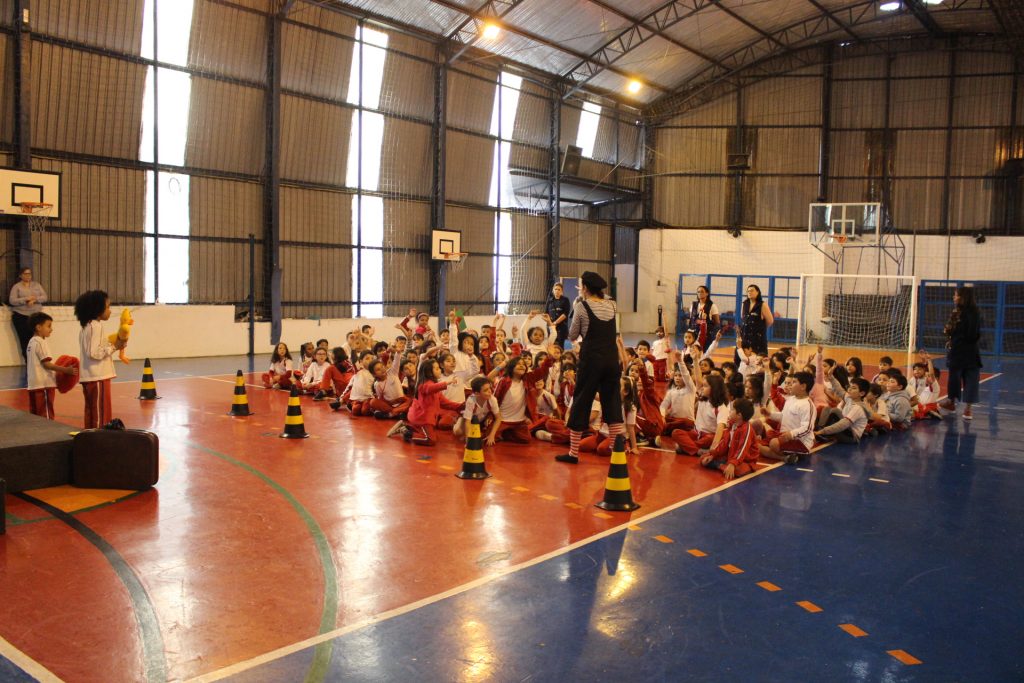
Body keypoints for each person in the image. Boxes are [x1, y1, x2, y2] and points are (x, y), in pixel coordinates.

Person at [555, 271, 624, 464]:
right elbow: (605, 297)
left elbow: (572, 334)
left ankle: (573, 454)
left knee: (581, 402)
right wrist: (583, 294)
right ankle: (617, 451)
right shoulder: (612, 304)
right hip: (611, 359)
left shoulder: (582, 307)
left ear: (584, 288)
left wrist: (579, 300)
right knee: (612, 401)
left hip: (591, 360)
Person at [75, 290, 125, 429]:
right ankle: (99, 440)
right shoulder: (94, 326)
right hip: (97, 377)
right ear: (97, 309)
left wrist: (113, 343)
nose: (110, 310)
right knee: (100, 414)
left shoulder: (88, 326)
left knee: (92, 412)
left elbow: (95, 348)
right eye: (108, 307)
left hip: (92, 376)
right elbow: (94, 353)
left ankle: (92, 439)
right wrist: (115, 347)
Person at [939, 286, 983, 420]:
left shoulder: (967, 313)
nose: (954, 297)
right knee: (966, 378)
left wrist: (954, 337)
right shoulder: (967, 312)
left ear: (963, 297)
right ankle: (965, 408)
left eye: (956, 295)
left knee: (960, 377)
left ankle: (955, 403)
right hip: (968, 350)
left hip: (962, 350)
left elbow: (971, 334)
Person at [25, 312, 77, 419]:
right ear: (39, 327)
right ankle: (48, 434)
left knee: (35, 416)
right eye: (48, 326)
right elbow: (47, 364)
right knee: (46, 415)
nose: (51, 329)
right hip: (44, 385)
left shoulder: (31, 342)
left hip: (33, 384)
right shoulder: (40, 342)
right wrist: (65, 370)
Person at [700, 398, 759, 481]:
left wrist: (733, 464)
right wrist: (713, 455)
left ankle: (720, 465)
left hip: (746, 461)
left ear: (739, 415)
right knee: (704, 458)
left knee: (737, 470)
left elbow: (742, 450)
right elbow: (724, 443)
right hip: (730, 456)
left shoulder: (746, 429)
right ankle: (722, 466)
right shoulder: (732, 425)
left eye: (732, 410)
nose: (729, 411)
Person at [9, 267, 48, 360]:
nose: (28, 276)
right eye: (25, 274)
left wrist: (35, 299)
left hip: (35, 316)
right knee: (25, 340)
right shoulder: (16, 286)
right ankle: (29, 362)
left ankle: (40, 360)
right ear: (20, 275)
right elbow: (12, 300)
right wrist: (26, 299)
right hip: (21, 316)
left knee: (37, 339)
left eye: (29, 274)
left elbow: (44, 297)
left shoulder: (37, 285)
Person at [738, 284, 774, 357]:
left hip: (758, 339)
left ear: (758, 292)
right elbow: (743, 318)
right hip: (745, 337)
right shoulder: (744, 304)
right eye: (748, 291)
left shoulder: (762, 304)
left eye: (752, 290)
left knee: (759, 360)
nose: (749, 292)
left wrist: (760, 327)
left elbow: (770, 321)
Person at [545, 281, 572, 349]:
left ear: (562, 291)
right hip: (551, 327)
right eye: (555, 289)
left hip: (561, 327)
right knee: (551, 346)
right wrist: (550, 323)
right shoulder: (550, 300)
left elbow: (565, 314)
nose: (557, 291)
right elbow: (546, 313)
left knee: (560, 347)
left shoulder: (565, 300)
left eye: (559, 289)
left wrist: (555, 323)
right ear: (553, 290)